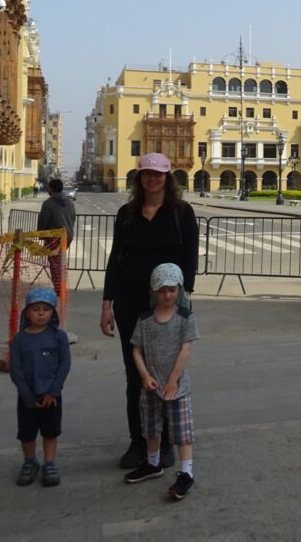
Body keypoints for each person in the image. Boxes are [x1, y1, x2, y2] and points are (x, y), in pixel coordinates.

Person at [102, 152, 199, 470]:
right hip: (130, 301)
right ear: (139, 178)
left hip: (167, 304)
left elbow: (190, 260)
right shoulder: (126, 213)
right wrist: (107, 304)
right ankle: (139, 441)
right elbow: (116, 257)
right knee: (136, 375)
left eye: (157, 175)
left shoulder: (181, 213)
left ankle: (167, 442)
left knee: (169, 373)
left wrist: (181, 302)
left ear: (167, 178)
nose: (152, 179)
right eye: (146, 174)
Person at [123, 263, 199, 501]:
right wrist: (145, 377)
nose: (167, 295)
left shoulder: (185, 317)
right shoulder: (145, 320)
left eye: (172, 290)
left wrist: (173, 381)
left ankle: (186, 472)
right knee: (151, 427)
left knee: (182, 431)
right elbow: (136, 350)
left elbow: (186, 350)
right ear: (154, 291)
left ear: (179, 289)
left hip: (177, 388)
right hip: (152, 387)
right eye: (162, 290)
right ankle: (153, 463)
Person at [9, 287, 71, 488]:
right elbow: (15, 368)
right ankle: (29, 462)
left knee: (50, 432)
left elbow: (64, 364)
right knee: (27, 433)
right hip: (28, 396)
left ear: (53, 311)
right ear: (27, 312)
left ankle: (49, 463)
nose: (41, 313)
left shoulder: (59, 337)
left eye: (46, 308)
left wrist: (54, 390)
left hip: (51, 396)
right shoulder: (19, 339)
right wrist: (26, 395)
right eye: (36, 309)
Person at [37, 179, 76, 294]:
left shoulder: (48, 203)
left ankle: (59, 288)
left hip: (54, 237)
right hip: (67, 235)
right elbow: (73, 218)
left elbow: (44, 220)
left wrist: (41, 234)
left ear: (51, 189)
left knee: (54, 262)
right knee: (60, 261)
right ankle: (61, 285)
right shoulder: (69, 202)